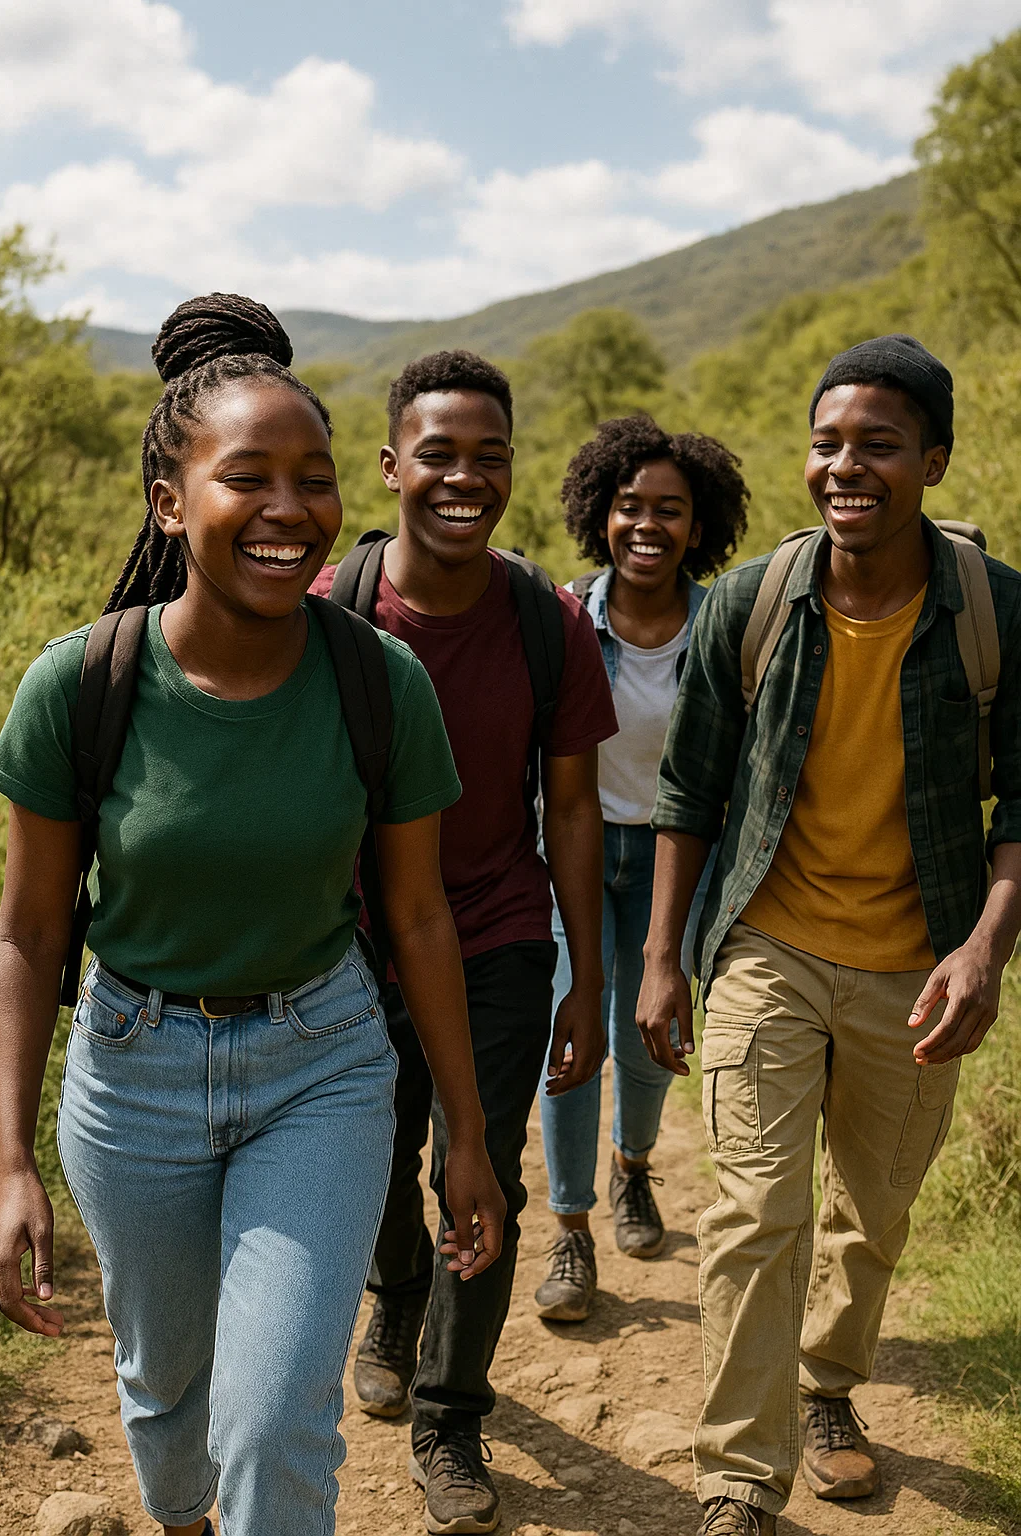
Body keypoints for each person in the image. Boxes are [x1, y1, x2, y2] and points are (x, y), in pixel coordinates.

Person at [0, 297, 505, 1536]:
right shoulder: (83, 683)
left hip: (320, 1068)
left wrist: (470, 1137)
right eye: (248, 477)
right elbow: (28, 930)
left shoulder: (378, 683)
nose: (290, 509)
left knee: (274, 1421)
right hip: (133, 1076)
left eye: (314, 479)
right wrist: (9, 1154)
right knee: (167, 1399)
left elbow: (420, 916)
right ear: (172, 502)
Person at [637, 334, 1021, 1536]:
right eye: (826, 443)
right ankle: (738, 1482)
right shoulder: (753, 602)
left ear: (934, 461)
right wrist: (661, 960)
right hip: (769, 947)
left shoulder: (995, 612)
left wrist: (983, 951)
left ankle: (827, 1389)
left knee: (871, 1211)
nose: (844, 465)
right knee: (756, 1213)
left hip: (919, 963)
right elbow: (689, 792)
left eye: (878, 445)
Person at [310, 349, 616, 1535]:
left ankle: (449, 1416)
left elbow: (574, 806)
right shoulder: (329, 611)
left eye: (488, 456)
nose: (463, 477)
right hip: (344, 948)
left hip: (492, 933)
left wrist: (587, 977)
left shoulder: (543, 624)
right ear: (391, 467)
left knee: (475, 1167)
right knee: (374, 1165)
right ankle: (394, 1296)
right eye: (438, 454)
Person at [533, 416, 749, 1323]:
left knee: (654, 1031)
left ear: (700, 526)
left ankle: (633, 1168)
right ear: (601, 515)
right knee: (570, 1036)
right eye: (629, 507)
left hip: (677, 858)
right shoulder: (564, 617)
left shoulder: (727, 626)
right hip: (571, 853)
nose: (648, 525)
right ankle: (571, 1230)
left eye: (670, 509)